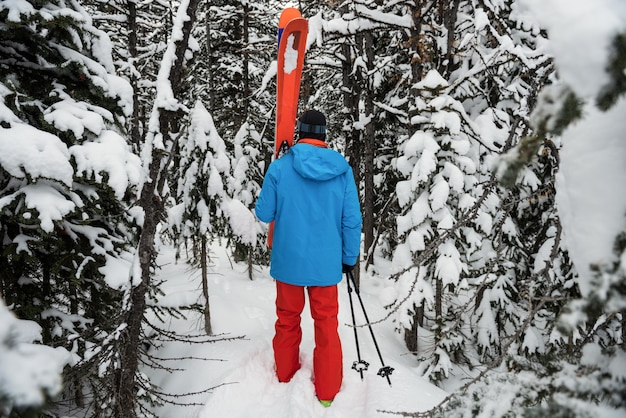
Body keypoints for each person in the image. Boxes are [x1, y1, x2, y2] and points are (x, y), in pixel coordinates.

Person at [254, 109, 362, 407]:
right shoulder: (342, 170)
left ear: (299, 132)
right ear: (325, 136)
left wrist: (277, 169)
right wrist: (349, 258)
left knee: (287, 320)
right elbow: (351, 220)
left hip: (289, 262)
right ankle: (327, 393)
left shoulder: (280, 168)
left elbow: (264, 212)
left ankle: (286, 377)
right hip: (326, 265)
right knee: (326, 323)